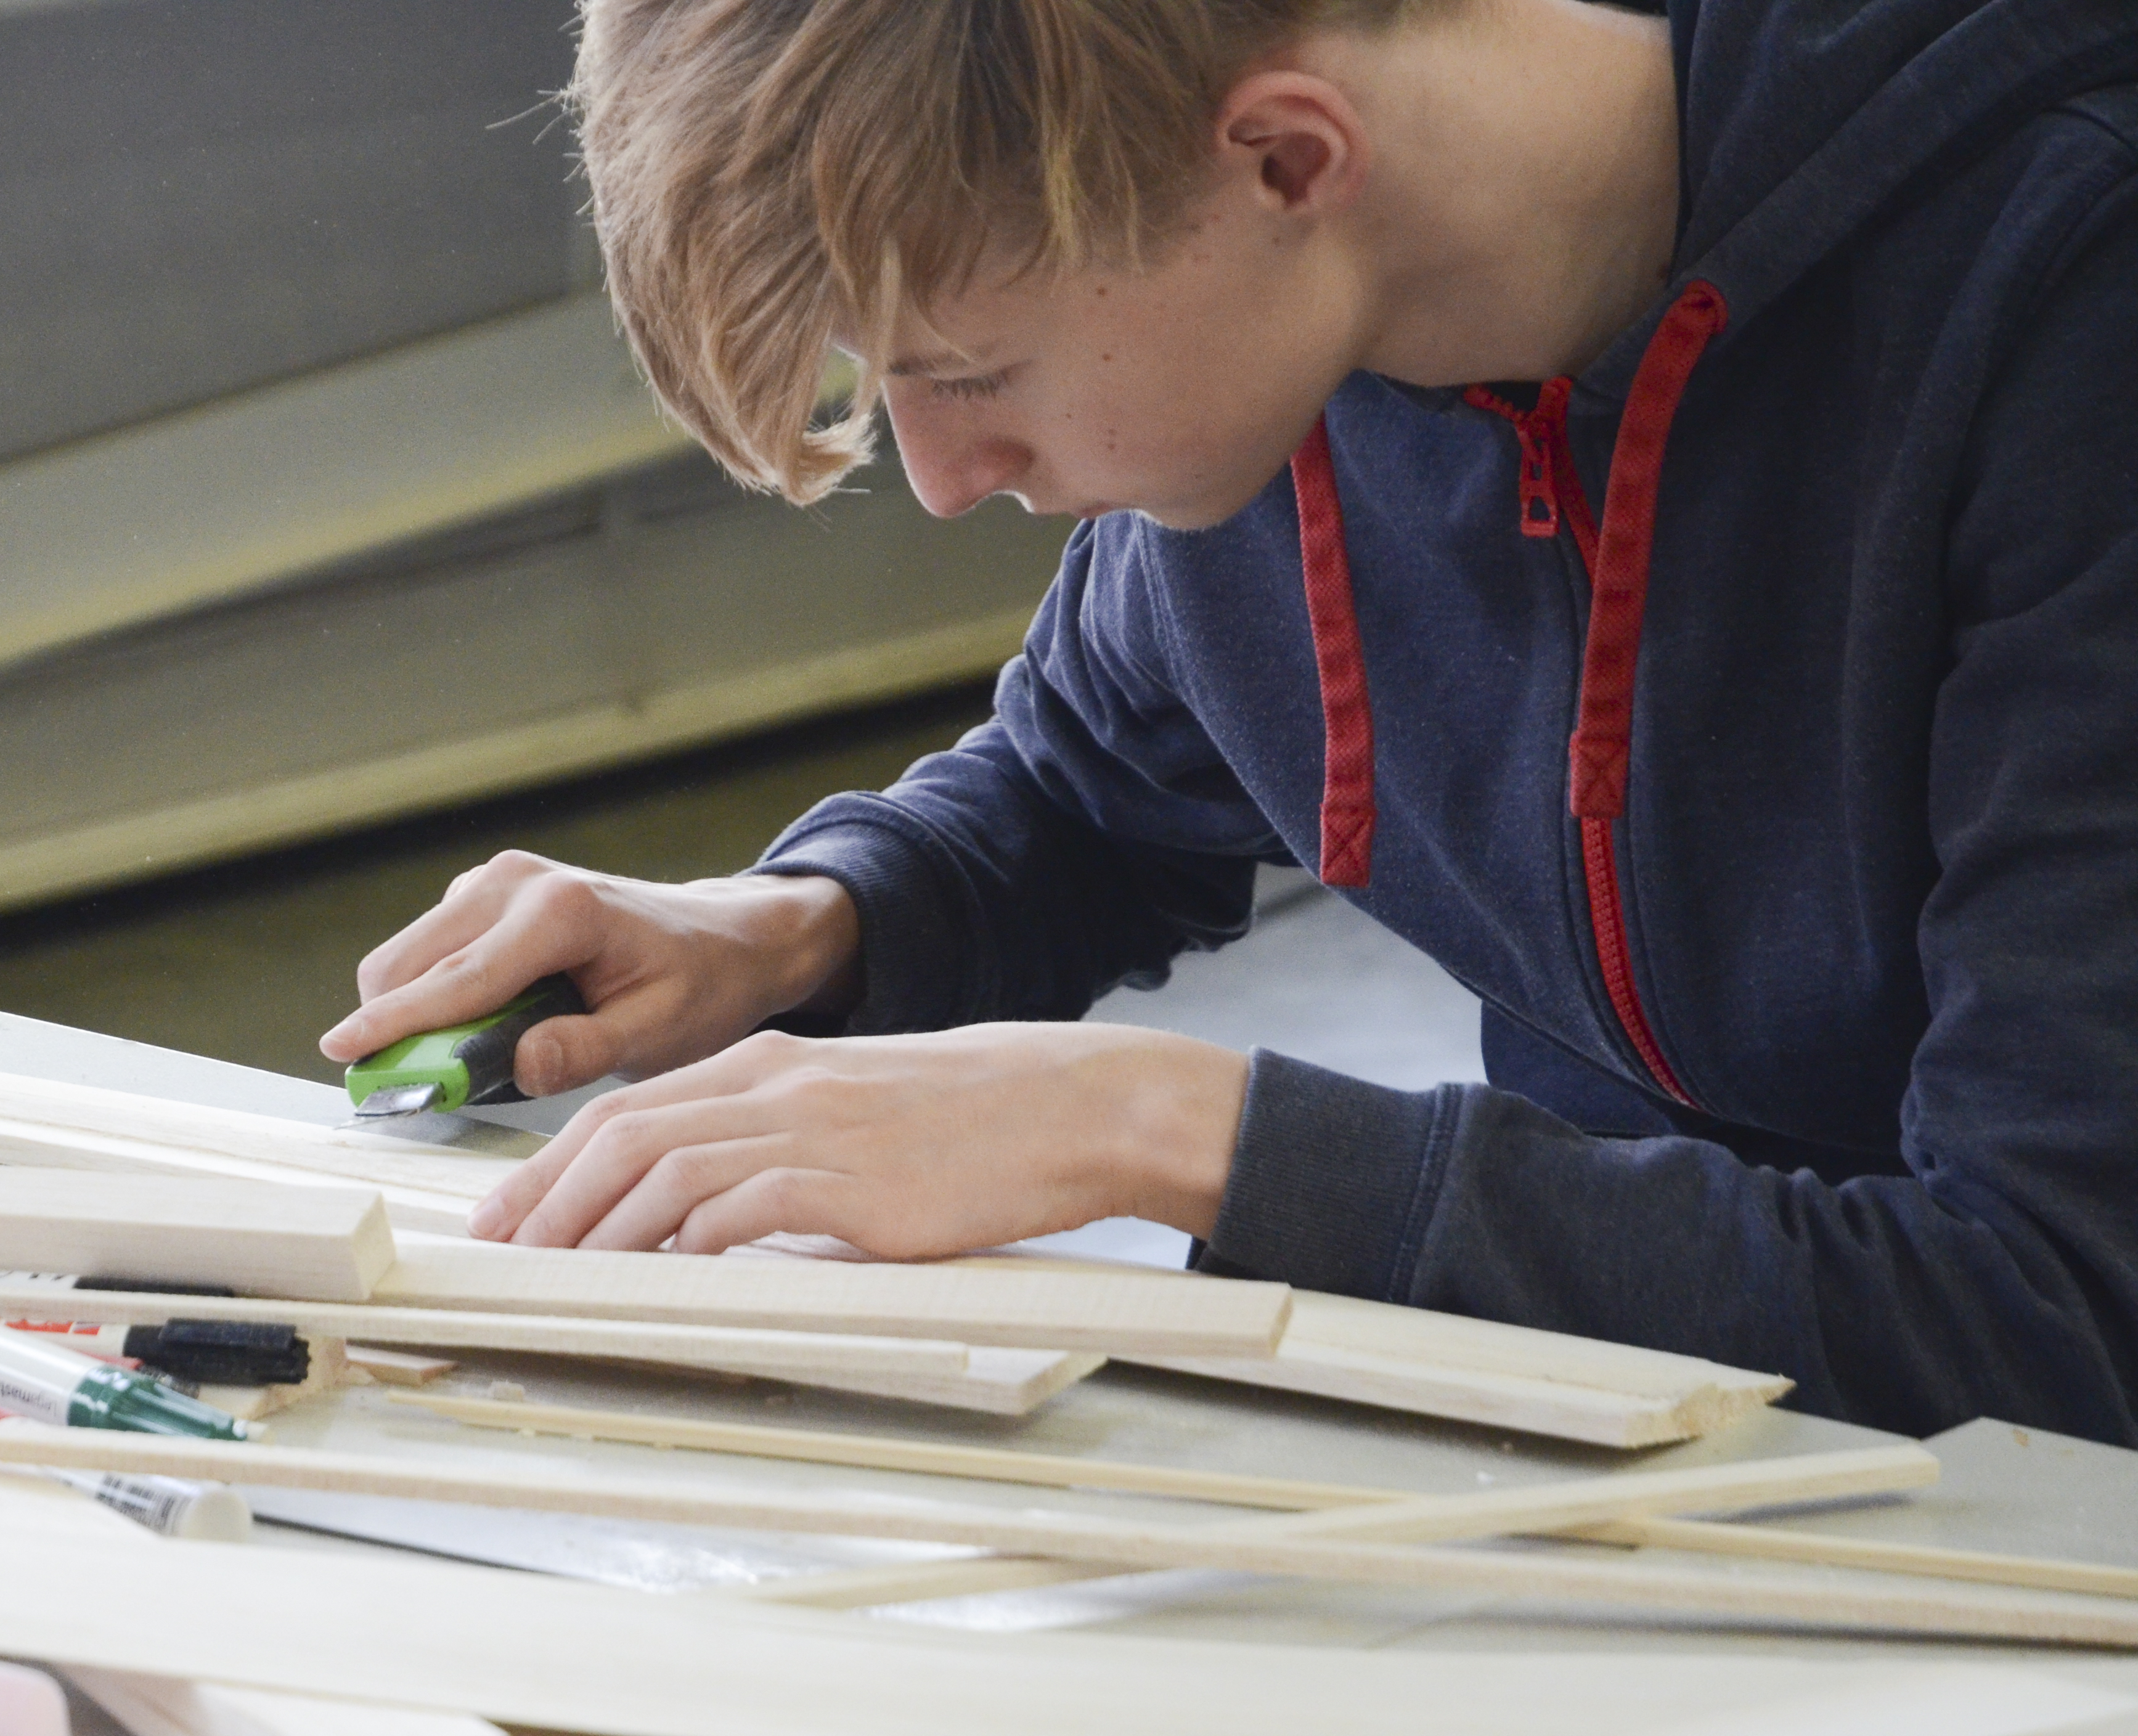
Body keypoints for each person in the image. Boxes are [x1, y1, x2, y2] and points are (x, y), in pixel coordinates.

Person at [319, 0, 2138, 1443]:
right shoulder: (1304, 340)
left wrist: (1167, 1125)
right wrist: (803, 925)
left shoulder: (2066, 302)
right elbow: (1091, 783)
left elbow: (2051, 1321)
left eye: (966, 375)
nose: (945, 480)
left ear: (1283, 157)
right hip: (1678, 1427)